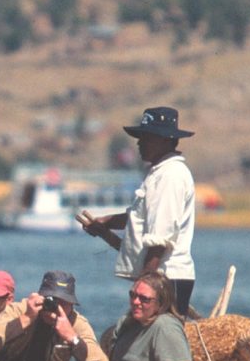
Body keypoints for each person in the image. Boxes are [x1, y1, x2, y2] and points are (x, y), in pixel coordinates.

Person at [80, 106, 196, 316]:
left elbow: (160, 239)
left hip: (165, 279)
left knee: (160, 342)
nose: (139, 143)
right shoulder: (158, 173)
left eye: (147, 137)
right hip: (157, 278)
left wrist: (143, 287)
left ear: (166, 140)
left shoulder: (170, 176)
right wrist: (104, 223)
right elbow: (138, 216)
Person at [0, 270, 109, 361]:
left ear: (72, 305)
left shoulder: (74, 322)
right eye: (52, 301)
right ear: (40, 297)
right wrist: (26, 318)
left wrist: (73, 338)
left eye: (63, 303)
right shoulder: (23, 309)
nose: (55, 309)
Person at [100, 271, 193, 361]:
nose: (135, 301)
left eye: (144, 299)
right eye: (132, 295)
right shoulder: (126, 322)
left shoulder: (165, 327)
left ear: (161, 303)